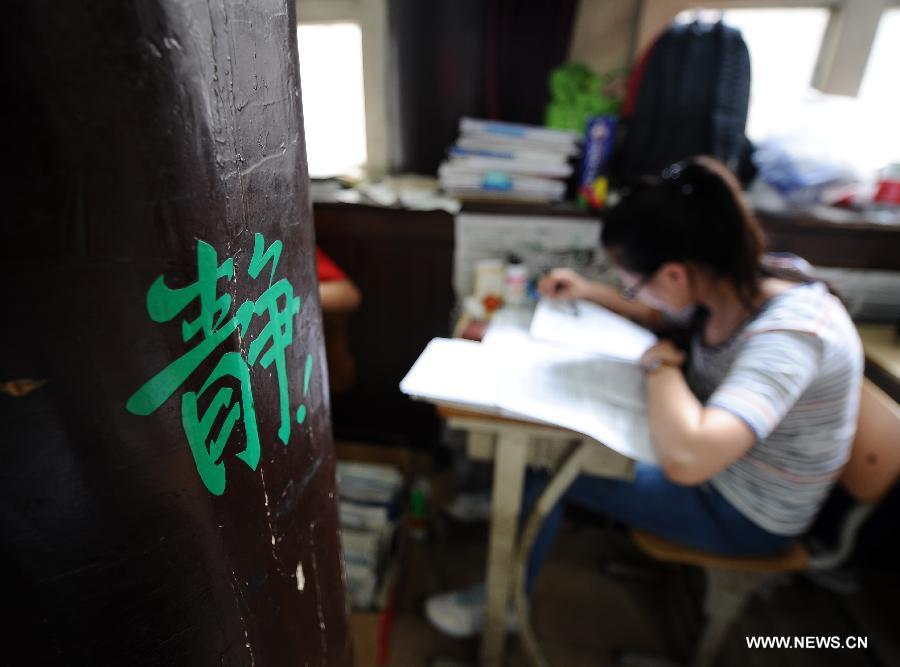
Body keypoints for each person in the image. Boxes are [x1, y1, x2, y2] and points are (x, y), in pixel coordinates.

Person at [425, 156, 863, 638]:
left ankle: (502, 604)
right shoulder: (739, 282)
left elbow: (689, 459)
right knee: (553, 452)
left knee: (553, 467)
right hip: (721, 470)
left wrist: (660, 364)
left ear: (675, 274)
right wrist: (593, 293)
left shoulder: (790, 334)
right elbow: (666, 318)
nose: (639, 296)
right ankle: (508, 506)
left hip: (743, 511)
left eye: (636, 285)